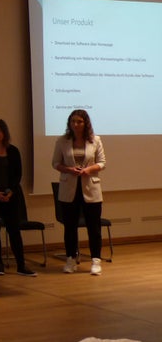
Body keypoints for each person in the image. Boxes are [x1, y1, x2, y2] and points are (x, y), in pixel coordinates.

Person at [0, 119, 36, 277]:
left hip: (10, 197)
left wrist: (10, 191)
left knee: (14, 230)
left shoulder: (13, 151)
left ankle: (21, 265)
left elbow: (17, 175)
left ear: (4, 133)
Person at [52, 109, 106, 275]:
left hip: (91, 188)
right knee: (70, 227)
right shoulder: (62, 141)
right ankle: (70, 259)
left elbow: (102, 163)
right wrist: (69, 169)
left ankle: (96, 260)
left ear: (85, 123)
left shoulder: (95, 140)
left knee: (94, 228)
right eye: (73, 121)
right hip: (69, 189)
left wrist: (88, 170)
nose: (76, 124)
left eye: (79, 121)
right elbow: (55, 163)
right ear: (69, 123)